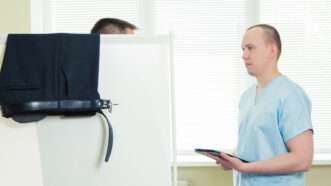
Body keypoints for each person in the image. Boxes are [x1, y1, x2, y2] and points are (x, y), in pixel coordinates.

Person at [208, 24, 314, 186]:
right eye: (243, 49)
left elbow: (302, 159)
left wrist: (246, 167)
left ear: (272, 51)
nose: (244, 55)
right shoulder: (246, 96)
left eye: (250, 48)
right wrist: (233, 160)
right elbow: (260, 149)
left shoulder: (290, 95)